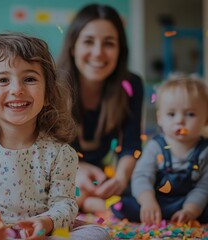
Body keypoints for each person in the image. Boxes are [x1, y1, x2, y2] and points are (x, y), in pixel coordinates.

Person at [0, 33, 110, 240]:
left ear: (49, 94)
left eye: (30, 79)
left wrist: (45, 222)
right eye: (3, 80)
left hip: (41, 234)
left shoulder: (61, 153)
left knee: (97, 234)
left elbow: (64, 203)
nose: (17, 89)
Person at [56, 3, 144, 213]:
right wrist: (75, 169)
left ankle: (87, 202)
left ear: (119, 50)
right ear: (73, 46)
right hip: (57, 176)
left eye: (109, 43)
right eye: (88, 41)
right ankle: (86, 203)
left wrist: (121, 179)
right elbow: (39, 149)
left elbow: (131, 145)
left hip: (102, 178)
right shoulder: (51, 85)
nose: (98, 53)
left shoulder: (131, 84)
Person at [111, 76, 208, 225]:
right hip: (156, 202)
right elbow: (142, 176)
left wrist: (191, 210)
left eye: (190, 114)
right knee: (123, 205)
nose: (179, 120)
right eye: (171, 114)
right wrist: (147, 201)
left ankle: (186, 214)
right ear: (160, 118)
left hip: (188, 203)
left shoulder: (204, 151)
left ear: (206, 119)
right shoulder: (155, 146)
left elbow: (204, 186)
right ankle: (97, 204)